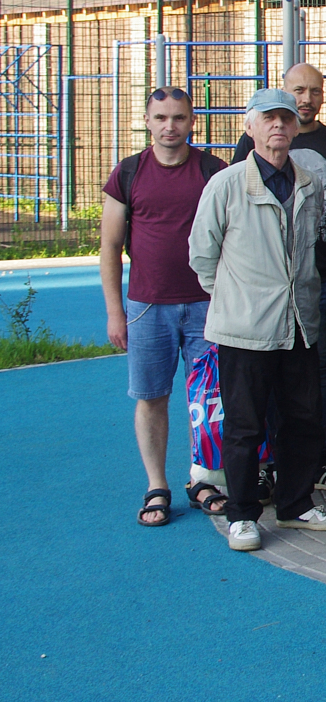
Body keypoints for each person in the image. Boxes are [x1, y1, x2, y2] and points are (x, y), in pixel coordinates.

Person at [188, 88, 326, 551]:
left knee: (301, 418)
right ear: (250, 126)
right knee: (245, 425)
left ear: (296, 128)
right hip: (244, 329)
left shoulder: (309, 182)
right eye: (268, 118)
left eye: (286, 118)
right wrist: (236, 299)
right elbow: (203, 255)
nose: (278, 125)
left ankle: (296, 505)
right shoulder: (226, 184)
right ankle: (242, 514)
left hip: (299, 325)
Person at [231, 62, 326, 496]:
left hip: (323, 282)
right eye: (297, 91)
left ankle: (316, 461)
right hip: (267, 291)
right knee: (268, 379)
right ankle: (269, 465)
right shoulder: (249, 147)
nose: (305, 100)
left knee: (318, 376)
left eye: (313, 91)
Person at [101, 87, 228, 525]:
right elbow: (110, 246)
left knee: (209, 398)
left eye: (178, 117)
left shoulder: (213, 171)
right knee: (151, 397)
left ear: (192, 121)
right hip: (147, 307)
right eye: (161, 118)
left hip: (206, 305)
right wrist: (115, 311)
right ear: (148, 121)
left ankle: (204, 479)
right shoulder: (129, 173)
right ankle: (157, 486)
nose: (169, 126)